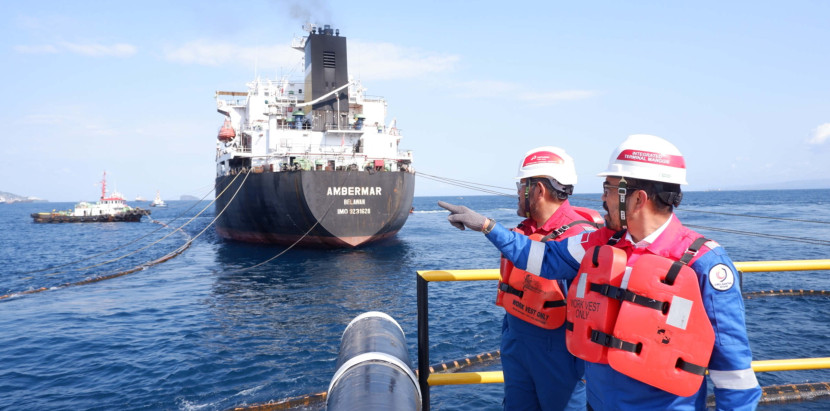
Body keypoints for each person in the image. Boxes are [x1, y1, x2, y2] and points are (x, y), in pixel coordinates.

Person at [439, 134, 762, 410]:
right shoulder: (597, 244)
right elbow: (540, 258)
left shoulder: (702, 263)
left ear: (637, 198)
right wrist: (487, 226)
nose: (602, 199)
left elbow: (733, 370)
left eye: (608, 189)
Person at [497, 146, 599, 411]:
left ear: (538, 190)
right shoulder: (525, 229)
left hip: (559, 352)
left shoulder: (579, 239)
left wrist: (486, 226)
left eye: (521, 186)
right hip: (517, 340)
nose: (518, 193)